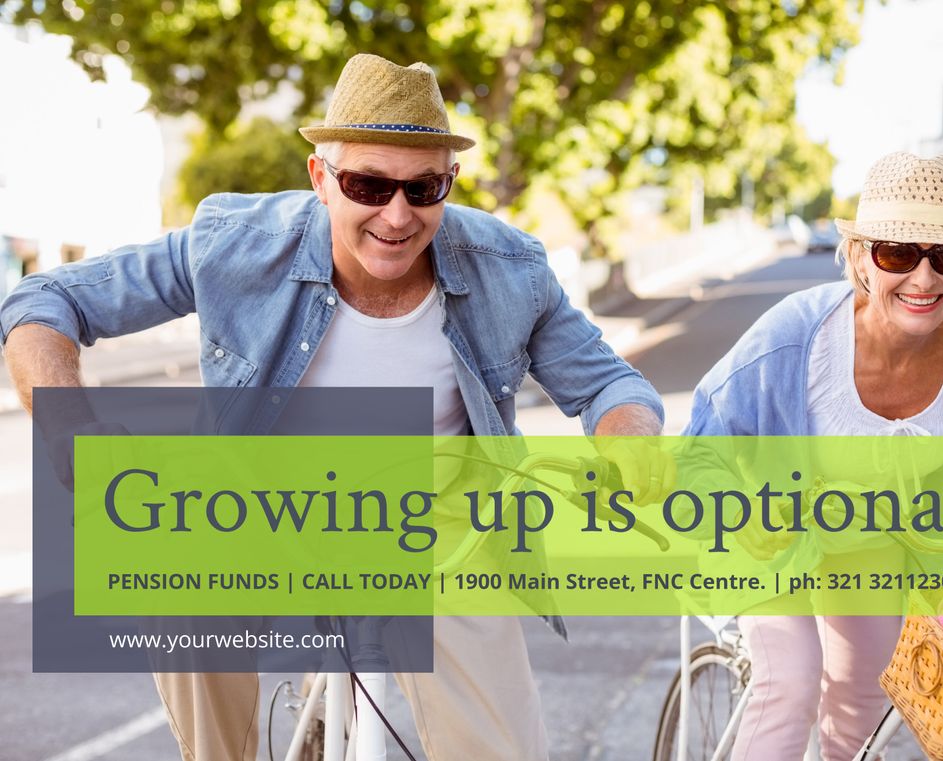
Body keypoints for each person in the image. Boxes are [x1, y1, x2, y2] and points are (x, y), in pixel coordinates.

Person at [0, 53, 674, 761]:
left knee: (502, 746)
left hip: (439, 532)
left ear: (449, 183)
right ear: (322, 178)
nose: (397, 213)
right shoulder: (236, 243)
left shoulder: (510, 268)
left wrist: (627, 443)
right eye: (368, 184)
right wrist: (74, 438)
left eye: (423, 188)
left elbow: (610, 386)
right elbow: (48, 300)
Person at [682, 152, 943, 760]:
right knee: (789, 684)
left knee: (863, 718)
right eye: (898, 253)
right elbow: (699, 449)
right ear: (860, 255)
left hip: (871, 552)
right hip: (762, 540)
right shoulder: (792, 340)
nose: (925, 281)